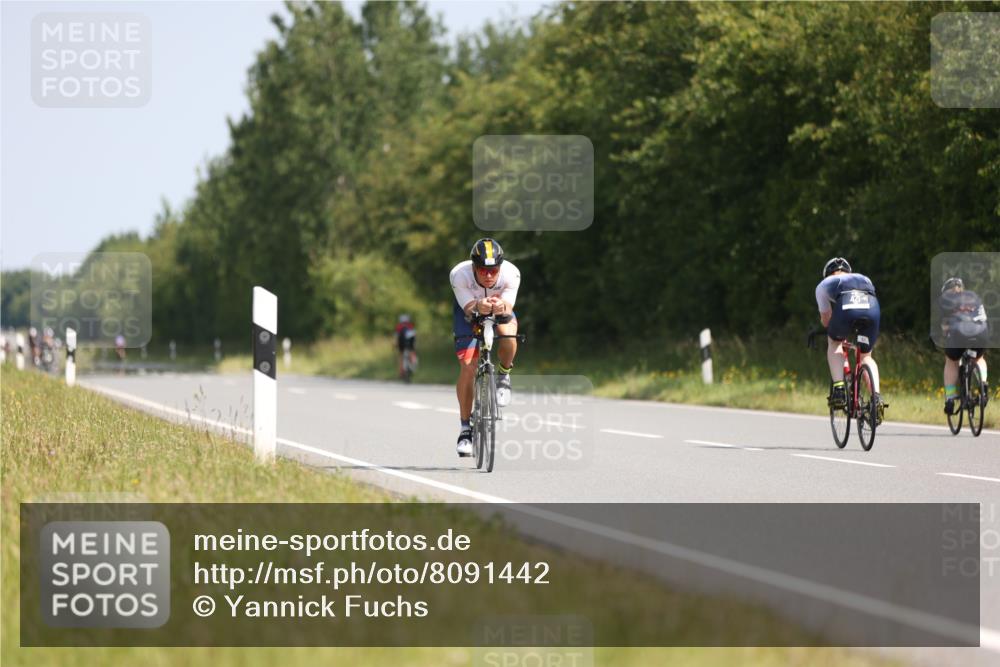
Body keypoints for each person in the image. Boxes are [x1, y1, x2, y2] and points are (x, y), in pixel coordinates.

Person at [450, 238, 521, 457]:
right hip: (469, 313)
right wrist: (477, 305)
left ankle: (504, 375)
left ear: (500, 267)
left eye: (493, 271)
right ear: (473, 267)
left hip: (499, 310)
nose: (488, 276)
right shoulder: (459, 274)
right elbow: (469, 308)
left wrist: (502, 306)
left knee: (509, 335)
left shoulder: (512, 273)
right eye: (482, 270)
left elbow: (509, 307)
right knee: (468, 367)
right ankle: (465, 430)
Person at [815, 257, 885, 422]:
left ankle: (839, 389)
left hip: (846, 307)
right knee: (866, 356)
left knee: (834, 342)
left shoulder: (823, 285)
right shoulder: (863, 278)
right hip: (872, 306)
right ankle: (876, 398)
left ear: (827, 274)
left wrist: (830, 326)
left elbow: (826, 320)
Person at [939, 277, 990, 414]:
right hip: (981, 332)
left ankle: (950, 398)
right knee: (979, 358)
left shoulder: (947, 299)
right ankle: (983, 384)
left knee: (951, 361)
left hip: (959, 334)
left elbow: (944, 327)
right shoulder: (974, 296)